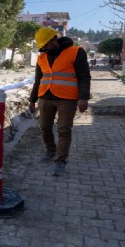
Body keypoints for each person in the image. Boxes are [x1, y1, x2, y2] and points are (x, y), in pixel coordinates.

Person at [28, 27, 91, 176]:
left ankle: (60, 160)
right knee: (44, 127)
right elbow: (38, 80)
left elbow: (84, 76)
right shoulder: (42, 57)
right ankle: (51, 150)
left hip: (67, 99)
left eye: (47, 44)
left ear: (54, 39)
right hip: (45, 97)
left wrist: (83, 98)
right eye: (42, 46)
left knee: (64, 130)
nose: (45, 48)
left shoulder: (76, 51)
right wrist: (32, 99)